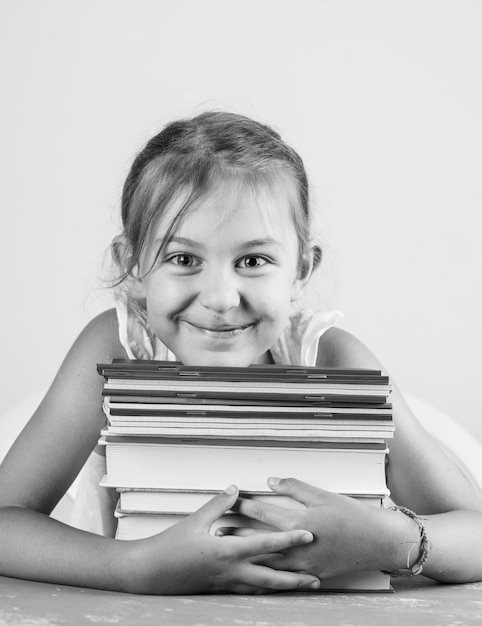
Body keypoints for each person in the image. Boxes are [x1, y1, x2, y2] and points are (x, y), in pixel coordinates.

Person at [0, 111, 481, 595]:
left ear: (301, 269)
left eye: (253, 261)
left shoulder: (333, 359)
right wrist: (136, 566)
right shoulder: (118, 350)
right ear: (133, 265)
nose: (221, 299)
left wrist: (390, 542)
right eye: (183, 259)